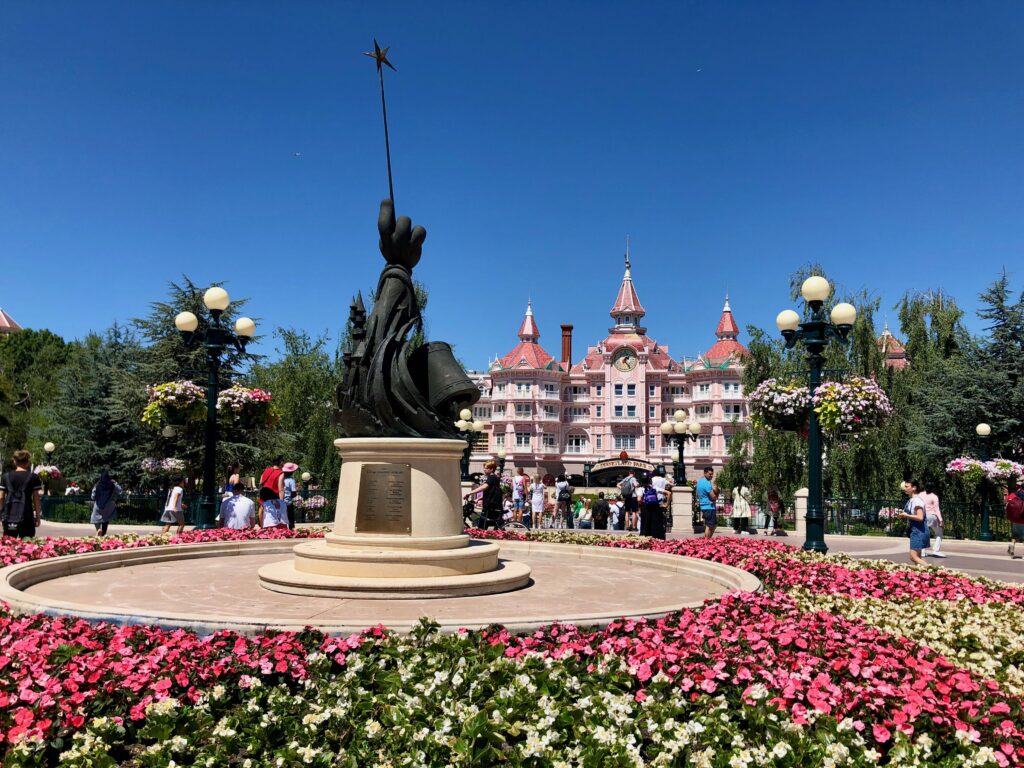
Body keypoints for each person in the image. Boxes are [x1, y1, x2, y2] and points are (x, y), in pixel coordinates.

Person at [0, 450, 43, 539]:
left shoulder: (5, 477)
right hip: (27, 515)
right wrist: (38, 517)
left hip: (9, 516)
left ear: (15, 461)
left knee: (9, 543)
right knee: (27, 545)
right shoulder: (33, 477)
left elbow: (1, 498)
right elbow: (36, 498)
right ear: (27, 462)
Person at [465, 460, 503, 529]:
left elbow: (484, 487)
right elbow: (491, 492)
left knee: (481, 525)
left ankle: (479, 533)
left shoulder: (491, 478)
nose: (484, 469)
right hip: (492, 505)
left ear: (491, 469)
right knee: (489, 524)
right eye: (484, 468)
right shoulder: (494, 478)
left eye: (486, 468)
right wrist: (479, 499)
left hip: (490, 506)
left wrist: (470, 493)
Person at [899, 479, 929, 566]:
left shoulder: (917, 501)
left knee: (913, 557)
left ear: (914, 488)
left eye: (907, 486)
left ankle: (934, 572)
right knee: (917, 558)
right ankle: (921, 576)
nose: (905, 488)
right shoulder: (911, 500)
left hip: (919, 531)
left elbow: (920, 517)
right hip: (916, 530)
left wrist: (906, 515)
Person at [90, 470, 122, 536]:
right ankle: (104, 534)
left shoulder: (98, 484)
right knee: (106, 518)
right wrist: (115, 483)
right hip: (109, 505)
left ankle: (98, 529)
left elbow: (93, 496)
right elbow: (120, 491)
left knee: (95, 517)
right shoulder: (112, 484)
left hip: (98, 504)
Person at [921, 481, 946, 558]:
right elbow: (937, 509)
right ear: (933, 488)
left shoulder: (920, 495)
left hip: (922, 516)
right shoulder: (934, 497)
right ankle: (936, 550)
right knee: (939, 533)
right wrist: (941, 520)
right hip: (932, 516)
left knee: (923, 533)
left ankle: (922, 551)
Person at [639, 475, 666, 539]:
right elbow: (668, 493)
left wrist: (642, 504)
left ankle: (645, 537)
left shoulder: (641, 489)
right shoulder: (655, 488)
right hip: (655, 507)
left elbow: (639, 499)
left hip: (646, 508)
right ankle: (657, 537)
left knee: (645, 523)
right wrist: (666, 504)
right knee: (655, 523)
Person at [696, 466, 719, 539]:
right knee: (710, 526)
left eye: (712, 474)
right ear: (705, 473)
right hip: (709, 507)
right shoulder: (707, 483)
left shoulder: (699, 482)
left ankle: (707, 540)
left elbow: (697, 494)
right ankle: (707, 541)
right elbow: (713, 497)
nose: (711, 476)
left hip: (703, 506)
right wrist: (717, 493)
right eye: (710, 474)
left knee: (711, 525)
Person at [1006, 481, 1024, 559]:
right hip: (1023, 517)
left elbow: (1007, 500)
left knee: (1015, 534)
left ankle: (1012, 544)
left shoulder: (1015, 494)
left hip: (1016, 518)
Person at [281, 462, 299, 530]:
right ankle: (291, 528)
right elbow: (293, 492)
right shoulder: (291, 481)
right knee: (290, 516)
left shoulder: (281, 479)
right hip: (288, 502)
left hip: (281, 500)